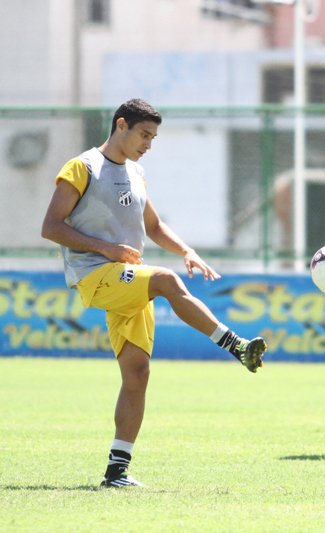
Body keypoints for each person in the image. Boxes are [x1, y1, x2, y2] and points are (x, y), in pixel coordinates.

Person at [41, 99, 267, 487]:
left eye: (153, 137)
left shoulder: (136, 172)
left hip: (126, 279)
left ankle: (116, 472)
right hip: (95, 275)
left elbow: (154, 225)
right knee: (164, 280)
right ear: (121, 125)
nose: (149, 143)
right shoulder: (83, 168)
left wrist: (186, 251)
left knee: (137, 373)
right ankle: (236, 346)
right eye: (144, 134)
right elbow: (50, 226)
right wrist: (106, 248)